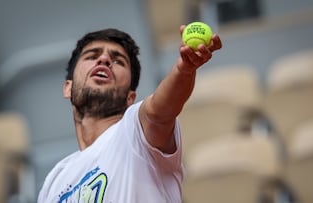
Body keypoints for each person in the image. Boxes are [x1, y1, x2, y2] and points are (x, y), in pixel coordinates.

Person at [38, 25, 222, 202]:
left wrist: (184, 70)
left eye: (118, 61)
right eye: (91, 56)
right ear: (68, 88)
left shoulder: (134, 132)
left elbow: (158, 113)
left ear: (130, 97)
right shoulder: (54, 181)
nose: (104, 60)